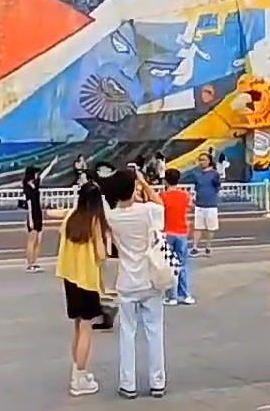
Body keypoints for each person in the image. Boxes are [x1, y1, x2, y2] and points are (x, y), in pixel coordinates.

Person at [104, 168, 170, 399]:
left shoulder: (112, 216)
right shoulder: (147, 211)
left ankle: (128, 383)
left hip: (127, 281)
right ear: (134, 188)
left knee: (127, 333)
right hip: (150, 280)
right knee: (154, 332)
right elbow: (160, 202)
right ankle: (157, 381)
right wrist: (143, 181)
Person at [57, 181, 113, 397]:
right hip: (87, 280)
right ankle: (79, 378)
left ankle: (78, 372)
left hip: (70, 278)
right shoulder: (95, 221)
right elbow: (101, 254)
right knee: (86, 330)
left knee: (78, 327)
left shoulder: (71, 216)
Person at [160, 168, 195, 306]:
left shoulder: (162, 195)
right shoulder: (185, 195)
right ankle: (185, 294)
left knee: (169, 264)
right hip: (181, 231)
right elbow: (190, 206)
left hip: (167, 231)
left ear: (165, 180)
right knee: (183, 263)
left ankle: (171, 296)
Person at [185, 153, 223, 257]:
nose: (201, 162)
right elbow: (196, 187)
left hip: (211, 205)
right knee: (198, 227)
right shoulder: (198, 174)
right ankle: (195, 248)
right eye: (200, 160)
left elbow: (217, 186)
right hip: (199, 205)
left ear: (209, 161)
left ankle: (208, 247)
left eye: (204, 160)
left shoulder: (214, 174)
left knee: (211, 228)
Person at [20, 165, 46, 273]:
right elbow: (29, 204)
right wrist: (30, 219)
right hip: (33, 213)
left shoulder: (35, 184)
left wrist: (52, 164)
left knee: (38, 240)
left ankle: (35, 262)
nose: (37, 175)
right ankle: (29, 264)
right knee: (32, 239)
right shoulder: (27, 187)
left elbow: (44, 175)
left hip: (39, 213)